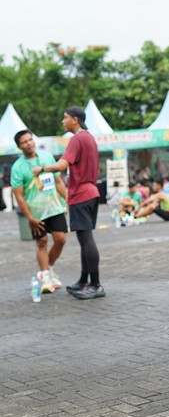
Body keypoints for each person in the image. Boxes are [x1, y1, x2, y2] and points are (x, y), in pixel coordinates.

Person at [33, 105, 104, 300]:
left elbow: (62, 165)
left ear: (75, 119)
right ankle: (83, 281)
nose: (63, 121)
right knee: (84, 239)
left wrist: (42, 169)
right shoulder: (89, 138)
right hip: (91, 191)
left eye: (65, 118)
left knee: (86, 239)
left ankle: (96, 284)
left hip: (81, 194)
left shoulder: (77, 139)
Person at [11, 130, 68, 293]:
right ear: (19, 146)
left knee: (60, 240)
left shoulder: (47, 158)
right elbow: (19, 196)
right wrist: (29, 218)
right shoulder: (18, 167)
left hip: (54, 207)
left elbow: (58, 182)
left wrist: (67, 199)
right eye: (24, 142)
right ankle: (46, 278)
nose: (29, 143)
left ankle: (47, 269)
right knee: (41, 242)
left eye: (30, 140)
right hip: (36, 212)